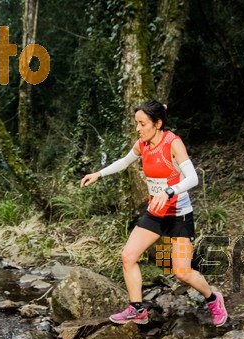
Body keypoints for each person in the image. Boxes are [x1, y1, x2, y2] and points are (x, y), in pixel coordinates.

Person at [80, 100, 228, 326]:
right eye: (136, 124)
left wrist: (170, 191)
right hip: (155, 214)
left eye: (142, 123)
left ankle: (213, 298)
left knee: (182, 272)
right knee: (128, 257)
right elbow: (125, 161)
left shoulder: (173, 143)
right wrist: (98, 174)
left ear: (157, 123)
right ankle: (137, 309)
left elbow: (193, 178)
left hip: (179, 214)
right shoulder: (142, 144)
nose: (138, 128)